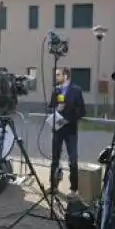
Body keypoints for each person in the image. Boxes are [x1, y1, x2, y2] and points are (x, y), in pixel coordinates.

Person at [48, 67, 86, 198]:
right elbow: (50, 108)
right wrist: (56, 109)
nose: (56, 77)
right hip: (57, 130)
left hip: (70, 131)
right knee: (54, 159)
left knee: (73, 160)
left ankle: (74, 189)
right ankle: (53, 186)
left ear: (66, 76)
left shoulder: (76, 90)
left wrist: (68, 120)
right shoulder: (56, 90)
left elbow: (82, 111)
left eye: (58, 75)